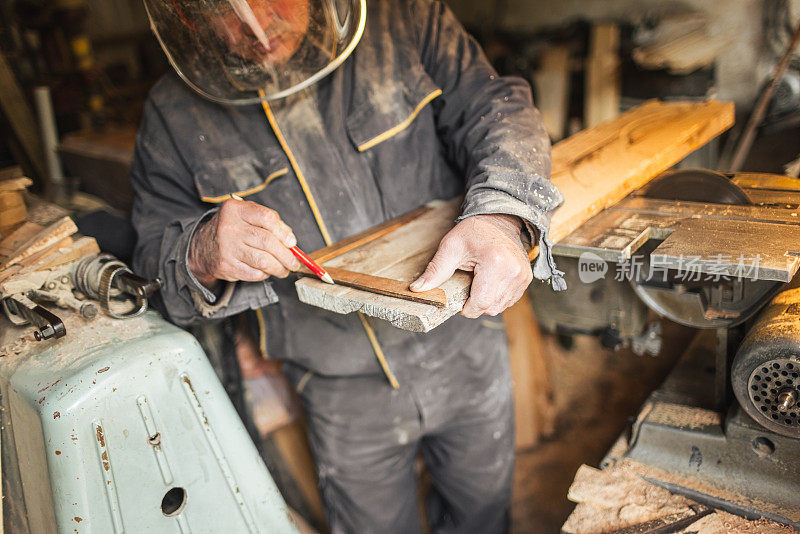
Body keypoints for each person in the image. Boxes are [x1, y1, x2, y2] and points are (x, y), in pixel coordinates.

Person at [131, 0, 564, 532]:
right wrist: (199, 251)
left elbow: (498, 109)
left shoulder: (404, 18)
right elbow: (151, 260)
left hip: (463, 346)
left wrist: (502, 215)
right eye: (226, 9)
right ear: (188, 17)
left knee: (482, 516)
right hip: (338, 387)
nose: (257, 26)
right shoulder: (173, 114)